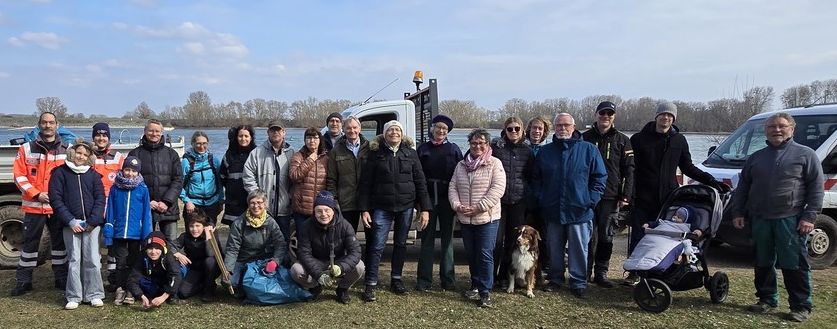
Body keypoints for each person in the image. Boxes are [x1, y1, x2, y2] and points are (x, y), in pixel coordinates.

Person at [731, 112, 824, 323]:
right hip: (760, 218)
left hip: (790, 218)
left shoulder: (806, 155)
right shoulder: (756, 157)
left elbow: (816, 189)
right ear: (766, 130)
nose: (777, 130)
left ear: (792, 129)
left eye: (782, 126)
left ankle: (800, 306)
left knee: (794, 264)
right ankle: (767, 299)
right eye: (772, 126)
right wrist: (738, 212)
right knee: (763, 261)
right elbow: (743, 187)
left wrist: (810, 216)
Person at [627, 102, 726, 285]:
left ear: (673, 119)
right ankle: (634, 272)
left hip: (668, 199)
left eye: (670, 116)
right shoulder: (639, 139)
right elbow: (630, 169)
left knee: (666, 236)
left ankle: (663, 270)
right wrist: (628, 193)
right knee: (640, 234)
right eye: (663, 114)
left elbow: (688, 167)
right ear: (656, 116)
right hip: (642, 196)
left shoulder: (678, 140)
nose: (666, 118)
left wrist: (711, 181)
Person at [533, 113, 607, 298]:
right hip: (553, 209)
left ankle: (578, 282)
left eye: (566, 125)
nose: (562, 128)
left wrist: (591, 200)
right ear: (554, 128)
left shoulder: (589, 150)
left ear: (574, 127)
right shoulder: (545, 152)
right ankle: (556, 279)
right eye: (559, 125)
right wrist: (541, 198)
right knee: (554, 248)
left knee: (579, 249)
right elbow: (536, 179)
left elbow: (599, 177)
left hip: (580, 210)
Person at [359, 120, 432, 302]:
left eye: (397, 129)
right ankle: (371, 283)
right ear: (384, 134)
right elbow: (365, 184)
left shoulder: (411, 153)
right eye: (390, 130)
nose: (394, 133)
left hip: (405, 206)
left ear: (402, 133)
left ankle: (396, 279)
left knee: (400, 244)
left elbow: (420, 182)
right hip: (381, 207)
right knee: (376, 246)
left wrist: (425, 208)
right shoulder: (375, 154)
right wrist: (364, 209)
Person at [11, 111, 69, 296]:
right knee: (29, 245)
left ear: (57, 125)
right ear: (39, 125)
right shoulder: (26, 149)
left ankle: (61, 278)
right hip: (34, 206)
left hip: (58, 207)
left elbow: (71, 178)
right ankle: (23, 281)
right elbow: (18, 176)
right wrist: (36, 194)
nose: (47, 126)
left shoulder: (67, 149)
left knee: (59, 245)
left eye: (51, 122)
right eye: (44, 122)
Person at [449, 128, 506, 308]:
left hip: (487, 219)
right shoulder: (461, 165)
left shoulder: (494, 164)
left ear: (487, 145)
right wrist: (458, 206)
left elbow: (497, 189)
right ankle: (475, 284)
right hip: (466, 218)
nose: (477, 146)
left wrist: (479, 208)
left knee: (485, 254)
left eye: (481, 143)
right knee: (472, 254)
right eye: (474, 143)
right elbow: (453, 187)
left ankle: (485, 291)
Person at [581, 101, 635, 288]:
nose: (606, 116)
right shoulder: (584, 138)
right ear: (596, 115)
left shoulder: (622, 140)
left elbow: (629, 171)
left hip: (611, 197)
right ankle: (584, 272)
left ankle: (601, 272)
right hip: (587, 196)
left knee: (606, 236)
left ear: (614, 117)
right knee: (587, 235)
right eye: (602, 113)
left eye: (609, 114)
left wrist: (626, 195)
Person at [49, 142, 107, 309]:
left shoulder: (94, 175)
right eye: (78, 153)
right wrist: (70, 220)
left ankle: (94, 294)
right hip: (71, 225)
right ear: (72, 153)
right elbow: (56, 199)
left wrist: (92, 221)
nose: (81, 157)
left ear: (90, 158)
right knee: (74, 259)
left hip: (91, 225)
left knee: (93, 259)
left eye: (85, 155)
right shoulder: (60, 173)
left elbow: (100, 199)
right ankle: (74, 295)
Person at [416, 114, 463, 292]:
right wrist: (421, 204)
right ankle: (424, 280)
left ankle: (448, 279)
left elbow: (460, 175)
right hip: (428, 199)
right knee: (427, 240)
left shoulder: (453, 149)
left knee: (447, 240)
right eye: (438, 127)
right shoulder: (423, 149)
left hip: (447, 199)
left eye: (445, 129)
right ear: (433, 128)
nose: (441, 131)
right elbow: (418, 177)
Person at [291, 191, 364, 304]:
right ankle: (315, 286)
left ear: (333, 211)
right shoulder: (306, 226)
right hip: (317, 261)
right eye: (319, 211)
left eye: (327, 210)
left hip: (337, 261)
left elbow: (355, 251)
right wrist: (318, 275)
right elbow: (304, 253)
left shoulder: (345, 225)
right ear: (314, 212)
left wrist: (341, 267)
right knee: (296, 270)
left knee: (359, 266)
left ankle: (342, 289)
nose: (323, 214)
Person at [491, 116, 534, 288]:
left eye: (517, 128)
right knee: (495, 242)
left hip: (518, 202)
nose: (513, 132)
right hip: (499, 202)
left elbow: (532, 176)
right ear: (505, 130)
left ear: (523, 130)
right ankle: (490, 276)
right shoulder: (497, 149)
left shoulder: (527, 151)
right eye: (510, 129)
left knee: (513, 241)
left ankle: (504, 277)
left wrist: (527, 197)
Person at [104, 156, 153, 306]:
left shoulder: (143, 189)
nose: (130, 173)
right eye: (127, 170)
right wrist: (109, 233)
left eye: (133, 171)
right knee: (121, 263)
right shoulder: (115, 188)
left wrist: (146, 235)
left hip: (136, 234)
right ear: (123, 170)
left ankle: (132, 289)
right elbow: (110, 211)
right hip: (119, 233)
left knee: (133, 263)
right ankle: (120, 288)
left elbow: (146, 213)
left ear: (138, 173)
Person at [128, 119, 184, 242]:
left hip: (168, 208)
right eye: (151, 131)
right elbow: (131, 182)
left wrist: (166, 202)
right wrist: (147, 201)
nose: (154, 134)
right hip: (144, 208)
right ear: (145, 131)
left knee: (171, 244)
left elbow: (178, 180)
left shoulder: (171, 154)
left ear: (162, 133)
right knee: (145, 243)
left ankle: (168, 262)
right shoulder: (135, 154)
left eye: (157, 131)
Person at [224, 189, 287, 296]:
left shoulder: (271, 222)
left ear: (265, 204)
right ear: (248, 204)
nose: (256, 206)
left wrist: (275, 261)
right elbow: (232, 249)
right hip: (243, 259)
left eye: (259, 203)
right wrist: (228, 269)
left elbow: (280, 244)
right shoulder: (238, 223)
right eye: (252, 203)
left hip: (263, 259)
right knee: (230, 281)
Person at [243, 119, 295, 242]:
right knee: (263, 242)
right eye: (272, 130)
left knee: (283, 240)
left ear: (284, 132)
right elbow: (248, 176)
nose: (275, 132)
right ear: (268, 132)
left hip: (284, 209)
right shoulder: (257, 153)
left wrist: (290, 197)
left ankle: (283, 261)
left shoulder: (292, 153)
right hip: (263, 209)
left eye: (278, 130)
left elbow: (296, 180)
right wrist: (258, 198)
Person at [91, 122, 127, 293]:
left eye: (104, 135)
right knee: (93, 244)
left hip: (113, 207)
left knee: (113, 244)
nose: (101, 138)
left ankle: (113, 278)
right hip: (92, 207)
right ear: (94, 137)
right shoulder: (87, 156)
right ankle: (94, 278)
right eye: (98, 135)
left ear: (109, 138)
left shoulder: (118, 157)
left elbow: (126, 180)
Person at [326, 116, 370, 232]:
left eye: (355, 127)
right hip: (346, 202)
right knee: (347, 237)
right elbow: (331, 178)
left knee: (372, 239)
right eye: (348, 128)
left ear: (360, 129)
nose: (352, 131)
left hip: (368, 201)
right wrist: (334, 200)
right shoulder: (336, 151)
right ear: (343, 130)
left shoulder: (370, 148)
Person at [171, 209, 221, 302]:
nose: (194, 229)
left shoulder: (212, 234)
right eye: (191, 226)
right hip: (195, 268)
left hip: (212, 267)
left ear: (204, 226)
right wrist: (177, 253)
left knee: (210, 261)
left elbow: (210, 253)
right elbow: (170, 245)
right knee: (183, 293)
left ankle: (209, 289)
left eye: (198, 226)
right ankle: (202, 284)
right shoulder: (185, 236)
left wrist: (208, 236)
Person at [524, 116, 551, 276]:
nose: (536, 131)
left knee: (544, 237)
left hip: (543, 200)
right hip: (524, 200)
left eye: (540, 128)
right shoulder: (523, 148)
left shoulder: (548, 150)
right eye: (534, 128)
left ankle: (543, 269)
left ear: (545, 131)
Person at [127, 231, 182, 308]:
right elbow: (133, 278)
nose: (153, 252)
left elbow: (175, 276)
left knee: (181, 287)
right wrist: (141, 296)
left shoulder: (169, 256)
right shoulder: (142, 256)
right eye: (150, 248)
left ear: (162, 249)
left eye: (157, 248)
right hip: (155, 279)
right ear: (146, 249)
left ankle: (172, 294)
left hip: (168, 279)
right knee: (140, 280)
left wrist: (164, 297)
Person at [180, 131, 224, 228]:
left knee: (210, 235)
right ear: (192, 144)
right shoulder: (186, 162)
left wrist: (221, 200)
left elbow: (219, 182)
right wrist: (187, 201)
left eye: (204, 143)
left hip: (212, 204)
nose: (201, 146)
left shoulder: (214, 160)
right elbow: (178, 184)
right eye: (198, 143)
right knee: (193, 235)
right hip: (193, 205)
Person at [289, 127, 329, 227]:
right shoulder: (298, 156)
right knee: (303, 240)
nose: (312, 141)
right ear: (305, 140)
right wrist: (310, 160)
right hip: (301, 209)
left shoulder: (327, 158)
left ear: (320, 140)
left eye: (315, 138)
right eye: (308, 138)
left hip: (320, 209)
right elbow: (294, 176)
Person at [219, 125, 256, 225]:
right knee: (235, 234)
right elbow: (222, 178)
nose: (243, 139)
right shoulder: (229, 155)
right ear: (236, 137)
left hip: (253, 201)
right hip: (233, 202)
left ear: (251, 138)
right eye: (240, 136)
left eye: (246, 136)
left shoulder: (257, 153)